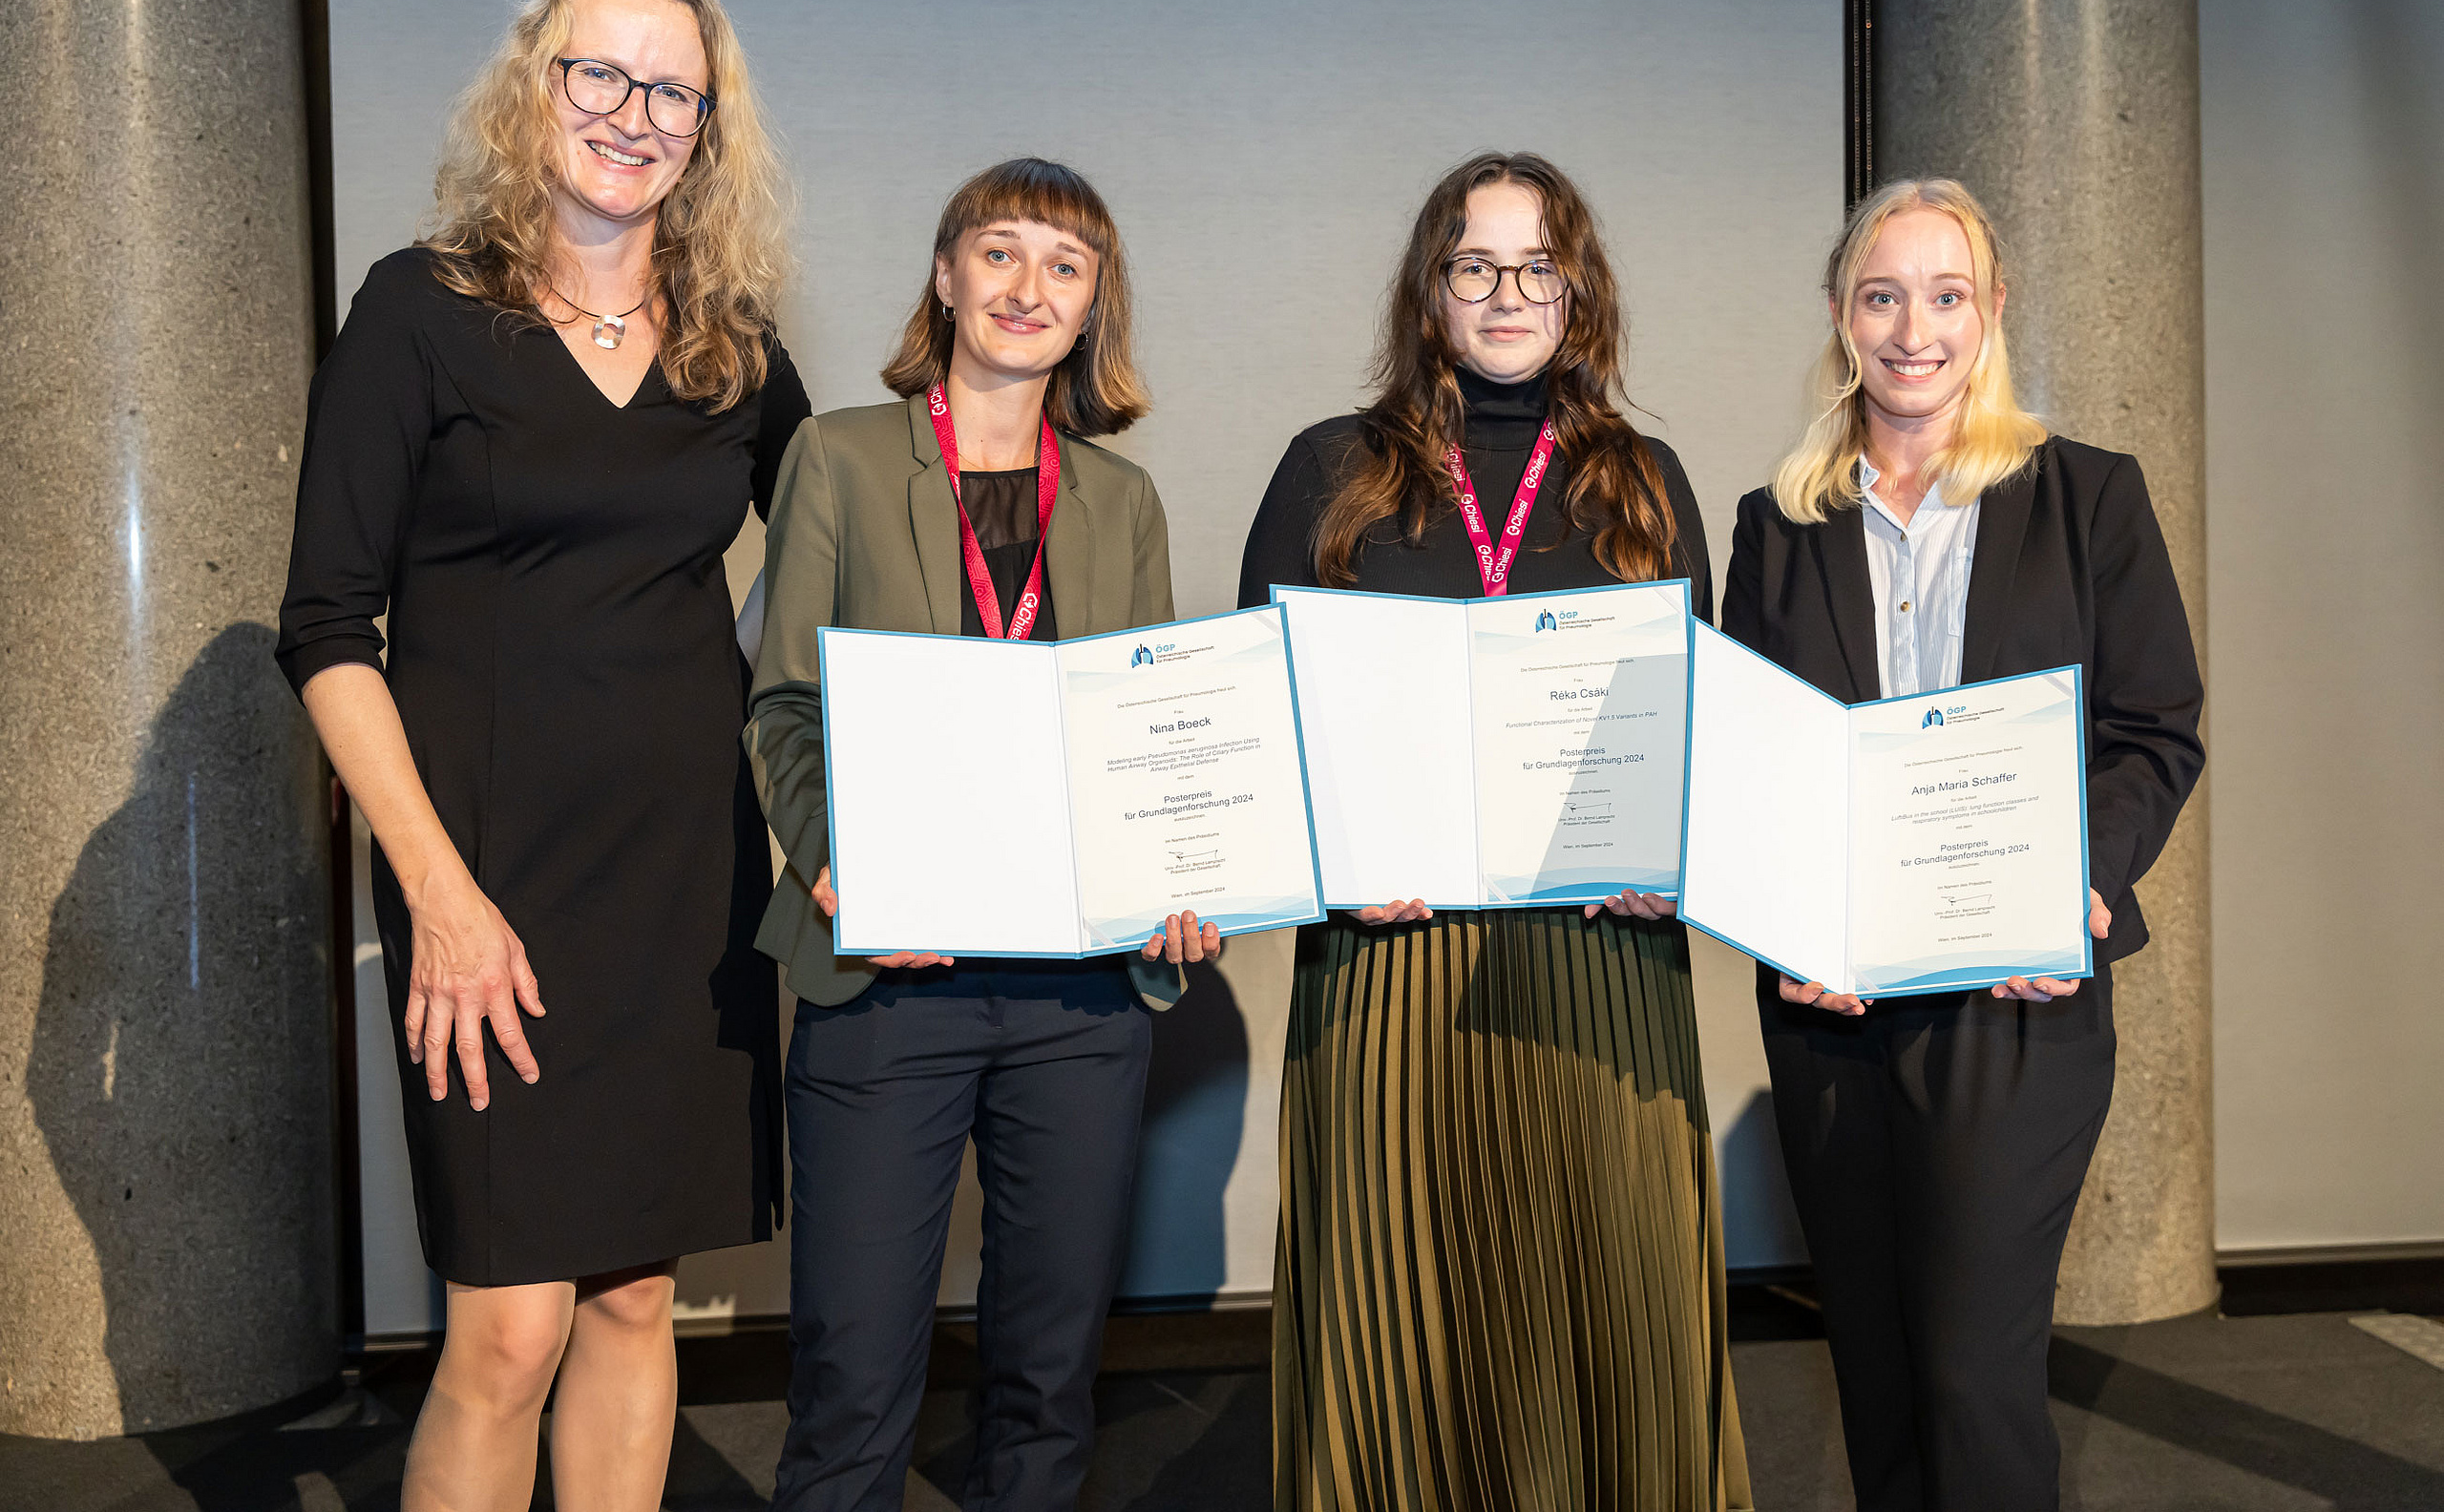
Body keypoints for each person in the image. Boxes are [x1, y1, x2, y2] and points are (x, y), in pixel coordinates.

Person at [275, 0, 804, 1512]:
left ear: (708, 128)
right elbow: (323, 631)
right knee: (506, 1327)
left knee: (638, 1297)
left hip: (679, 881)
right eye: (602, 73)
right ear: (537, 80)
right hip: (484, 882)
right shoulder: (420, 311)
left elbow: (833, 560)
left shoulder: (734, 341)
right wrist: (437, 892)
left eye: (673, 91)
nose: (633, 114)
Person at [1240, 153, 1752, 1511]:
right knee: (1399, 1322)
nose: (1507, 293)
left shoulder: (1643, 478)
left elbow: (1702, 719)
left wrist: (1676, 850)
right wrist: (1333, 870)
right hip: (1388, 973)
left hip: (1600, 969)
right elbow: (1261, 720)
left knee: (1611, 1310)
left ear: (1579, 293)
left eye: (1538, 266)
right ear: (1431, 291)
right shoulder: (1329, 470)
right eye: (1476, 266)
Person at [1723, 177, 2204, 1512]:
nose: (1913, 328)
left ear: (1992, 312)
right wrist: (1788, 922)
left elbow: (2156, 728)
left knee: (1970, 1378)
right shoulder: (1778, 524)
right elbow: (1755, 766)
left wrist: (2083, 880)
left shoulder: (2088, 499)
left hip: (2015, 1002)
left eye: (1945, 295)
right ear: (1841, 316)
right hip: (1834, 1009)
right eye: (1883, 296)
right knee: (1875, 1376)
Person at [746, 158, 1217, 1512]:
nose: (1027, 286)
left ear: (1093, 309)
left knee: (1048, 1377)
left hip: (1081, 995)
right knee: (852, 1378)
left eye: (1064, 266)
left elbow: (1146, 740)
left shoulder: (1121, 501)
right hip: (891, 973)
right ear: (946, 276)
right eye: (999, 253)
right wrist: (834, 855)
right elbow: (783, 706)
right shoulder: (835, 456)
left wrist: (1179, 877)